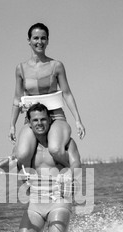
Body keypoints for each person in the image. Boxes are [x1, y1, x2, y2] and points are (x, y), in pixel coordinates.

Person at [15, 104, 82, 232]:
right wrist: (25, 177)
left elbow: (76, 165)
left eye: (43, 119)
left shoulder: (65, 142)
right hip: (36, 203)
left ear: (50, 120)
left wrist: (69, 173)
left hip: (59, 201)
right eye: (35, 120)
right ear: (29, 123)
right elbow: (20, 173)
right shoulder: (26, 148)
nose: (40, 123)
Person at [9, 22, 86, 169]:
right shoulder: (21, 69)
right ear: (29, 41)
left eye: (43, 38)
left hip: (56, 117)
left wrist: (78, 121)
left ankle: (70, 171)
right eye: (36, 38)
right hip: (32, 120)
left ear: (48, 41)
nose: (39, 42)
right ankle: (29, 182)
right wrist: (12, 125)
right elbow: (17, 99)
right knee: (23, 154)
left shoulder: (56, 65)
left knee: (55, 149)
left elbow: (67, 94)